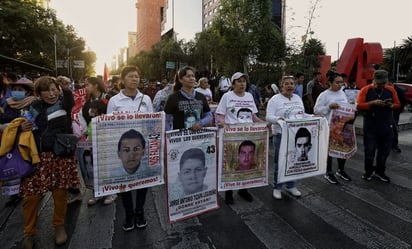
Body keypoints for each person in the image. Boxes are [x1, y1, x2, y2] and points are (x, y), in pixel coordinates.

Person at [19, 76, 80, 248]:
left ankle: (59, 226)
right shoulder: (32, 107)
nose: (52, 93)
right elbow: (24, 124)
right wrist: (22, 126)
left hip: (59, 156)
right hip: (37, 157)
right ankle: (29, 233)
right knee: (31, 197)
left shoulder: (63, 103)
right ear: (38, 93)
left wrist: (63, 86)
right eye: (47, 90)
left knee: (60, 194)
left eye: (54, 89)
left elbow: (69, 99)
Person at [107, 65, 153, 232]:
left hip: (142, 147)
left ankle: (140, 211)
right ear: (123, 79)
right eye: (131, 76)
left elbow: (152, 122)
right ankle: (129, 213)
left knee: (143, 180)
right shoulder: (114, 101)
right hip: (124, 148)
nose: (134, 79)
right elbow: (108, 125)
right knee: (124, 181)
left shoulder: (146, 99)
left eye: (136, 76)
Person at [216, 72, 264, 204]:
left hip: (248, 135)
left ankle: (244, 189)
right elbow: (220, 114)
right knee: (231, 163)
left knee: (247, 164)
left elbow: (253, 116)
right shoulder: (227, 96)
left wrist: (264, 124)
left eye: (244, 81)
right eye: (239, 81)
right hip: (232, 136)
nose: (242, 83)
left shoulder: (249, 96)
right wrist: (222, 123)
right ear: (233, 84)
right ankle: (229, 192)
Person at [266, 75, 312, 200]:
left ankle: (291, 185)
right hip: (281, 135)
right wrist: (277, 119)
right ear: (282, 86)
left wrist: (314, 116)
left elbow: (301, 115)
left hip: (296, 136)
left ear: (295, 86)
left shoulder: (297, 98)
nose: (289, 86)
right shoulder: (275, 99)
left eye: (292, 83)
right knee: (280, 162)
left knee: (293, 161)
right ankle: (277, 187)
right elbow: (268, 117)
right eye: (286, 84)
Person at [356, 70, 400, 182]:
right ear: (373, 80)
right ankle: (368, 172)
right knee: (369, 151)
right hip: (371, 126)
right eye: (378, 83)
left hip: (386, 125)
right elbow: (359, 106)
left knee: (384, 151)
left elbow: (398, 105)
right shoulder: (365, 90)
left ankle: (380, 172)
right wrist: (372, 103)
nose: (380, 85)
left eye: (382, 83)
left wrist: (391, 105)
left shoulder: (390, 90)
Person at [0, 77, 37, 206]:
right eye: (14, 89)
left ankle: (32, 192)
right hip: (9, 142)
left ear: (27, 92)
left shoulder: (33, 103)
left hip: (27, 142)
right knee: (12, 166)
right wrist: (7, 127)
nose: (16, 92)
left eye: (20, 90)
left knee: (28, 167)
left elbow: (35, 123)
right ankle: (14, 194)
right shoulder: (6, 103)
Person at [314, 73, 351, 184]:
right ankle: (328, 172)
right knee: (329, 150)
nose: (340, 85)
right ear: (330, 83)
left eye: (341, 82)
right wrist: (329, 107)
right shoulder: (324, 95)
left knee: (342, 149)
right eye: (337, 82)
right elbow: (316, 110)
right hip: (329, 127)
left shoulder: (342, 93)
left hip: (342, 126)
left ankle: (340, 170)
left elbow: (346, 106)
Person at [164, 66, 212, 131]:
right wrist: (170, 137)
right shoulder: (173, 98)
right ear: (181, 80)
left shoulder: (201, 96)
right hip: (179, 139)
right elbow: (166, 120)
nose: (191, 78)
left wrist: (201, 123)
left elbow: (209, 115)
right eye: (188, 76)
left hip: (199, 138)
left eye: (193, 76)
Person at [387, 80, 407, 153]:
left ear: (392, 83)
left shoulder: (399, 91)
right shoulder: (386, 89)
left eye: (389, 84)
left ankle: (394, 145)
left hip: (395, 112)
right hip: (387, 112)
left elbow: (402, 102)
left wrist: (397, 110)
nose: (388, 86)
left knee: (394, 128)